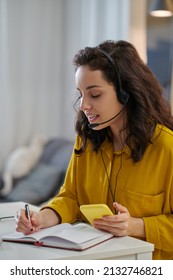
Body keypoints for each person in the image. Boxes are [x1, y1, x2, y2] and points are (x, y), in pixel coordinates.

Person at [16, 40, 173, 260]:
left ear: (125, 93)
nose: (83, 105)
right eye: (81, 94)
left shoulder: (167, 148)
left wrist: (137, 226)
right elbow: (70, 197)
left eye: (95, 95)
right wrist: (42, 217)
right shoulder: (87, 140)